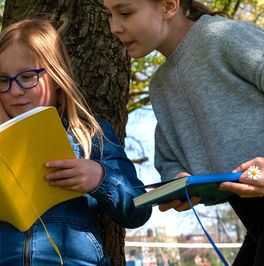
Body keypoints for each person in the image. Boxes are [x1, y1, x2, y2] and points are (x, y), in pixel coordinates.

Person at [0, 18, 152, 265]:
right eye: (3, 80)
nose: (14, 90)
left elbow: (138, 209)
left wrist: (100, 179)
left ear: (57, 76)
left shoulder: (91, 135)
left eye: (27, 77)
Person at [103, 0, 264, 265]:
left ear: (168, 6)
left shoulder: (223, 36)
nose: (114, 27)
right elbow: (169, 158)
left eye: (125, 13)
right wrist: (178, 182)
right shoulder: (161, 85)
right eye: (110, 15)